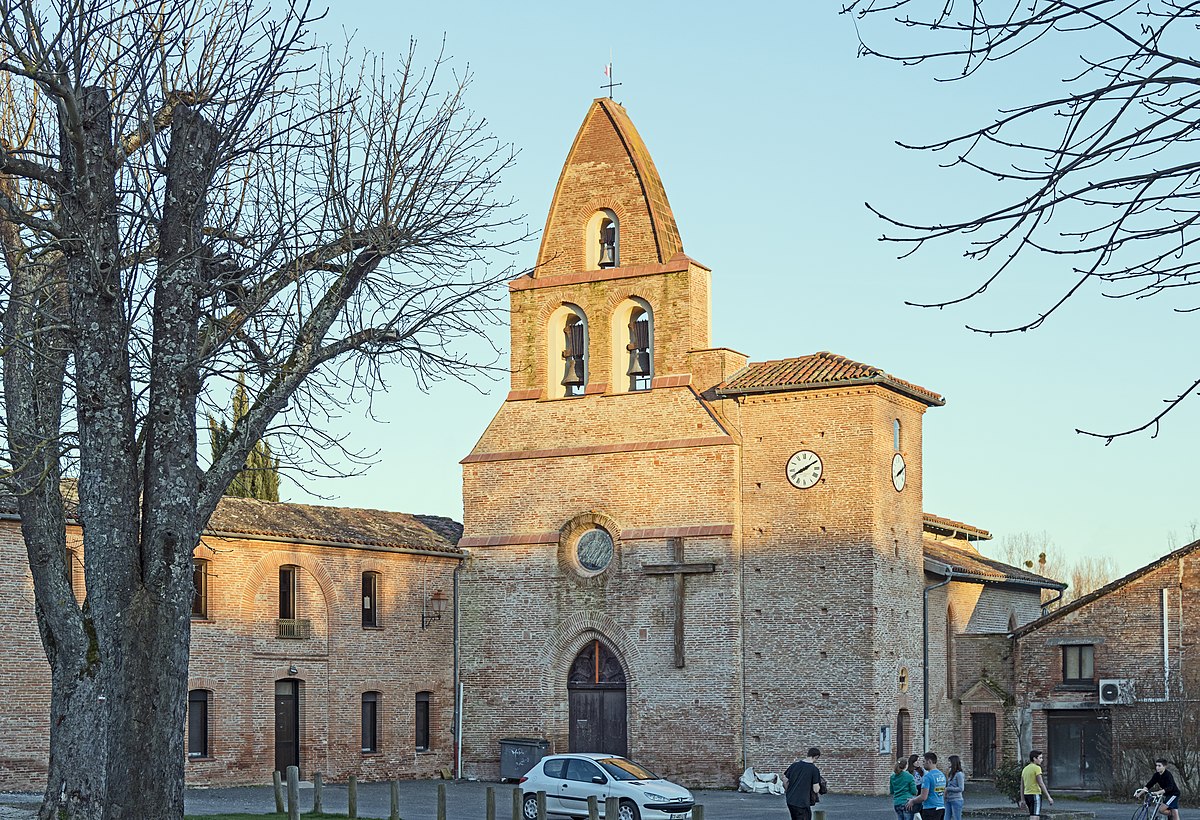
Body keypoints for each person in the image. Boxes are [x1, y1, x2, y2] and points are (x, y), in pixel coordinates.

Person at [782, 747, 823, 820]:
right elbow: (816, 789)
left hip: (790, 800)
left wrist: (788, 790)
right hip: (802, 803)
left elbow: (784, 779)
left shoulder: (794, 765)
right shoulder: (814, 769)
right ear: (816, 757)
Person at [907, 752, 947, 820]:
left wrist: (913, 801)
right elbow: (944, 791)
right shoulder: (941, 775)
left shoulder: (927, 777)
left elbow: (923, 797)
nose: (923, 764)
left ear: (929, 761)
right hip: (941, 807)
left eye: (924, 761)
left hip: (930, 808)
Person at [1021, 750, 1054, 819]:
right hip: (1035, 794)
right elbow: (1041, 783)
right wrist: (1048, 796)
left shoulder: (1025, 769)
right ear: (1034, 758)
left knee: (1033, 815)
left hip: (1027, 795)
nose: (1041, 760)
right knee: (1035, 816)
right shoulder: (1037, 768)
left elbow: (1022, 785)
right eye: (1040, 758)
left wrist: (1022, 799)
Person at [891, 756, 919, 820]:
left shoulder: (892, 777)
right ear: (906, 766)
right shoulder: (909, 776)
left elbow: (892, 790)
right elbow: (914, 791)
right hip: (907, 802)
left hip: (897, 802)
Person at [944, 755, 965, 820]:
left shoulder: (959, 774)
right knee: (946, 817)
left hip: (956, 799)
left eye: (949, 762)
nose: (948, 764)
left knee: (957, 818)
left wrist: (948, 789)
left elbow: (961, 788)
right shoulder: (951, 773)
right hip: (948, 799)